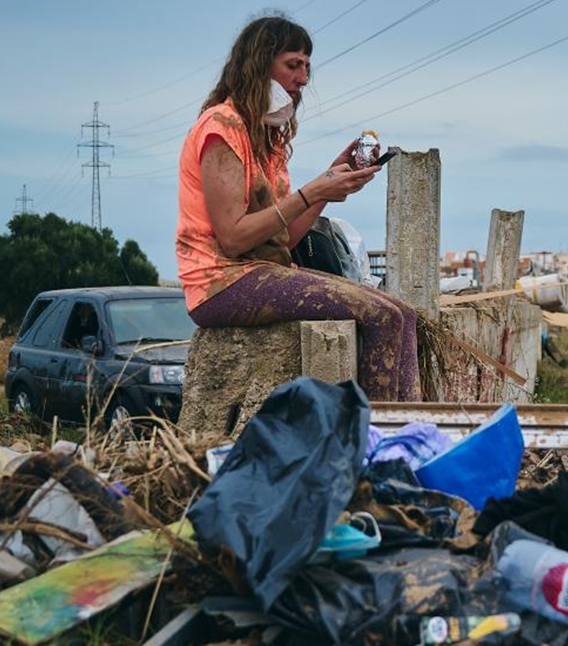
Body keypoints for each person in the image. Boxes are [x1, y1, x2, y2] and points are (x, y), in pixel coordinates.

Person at [175, 14, 421, 402]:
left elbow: (282, 238)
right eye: (293, 65)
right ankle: (378, 445)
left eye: (307, 66)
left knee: (401, 312)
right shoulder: (221, 128)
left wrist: (327, 187)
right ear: (260, 65)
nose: (304, 78)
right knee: (382, 316)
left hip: (264, 269)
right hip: (220, 282)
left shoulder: (266, 137)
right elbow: (234, 238)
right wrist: (309, 193)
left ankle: (411, 436)